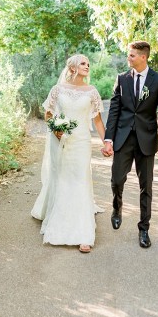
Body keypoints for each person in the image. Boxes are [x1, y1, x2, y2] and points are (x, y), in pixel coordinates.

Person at [31, 54, 106, 253]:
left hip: (81, 142)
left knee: (80, 180)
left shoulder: (92, 92)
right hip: (60, 141)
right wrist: (56, 129)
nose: (87, 66)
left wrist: (107, 142)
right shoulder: (58, 90)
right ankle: (58, 220)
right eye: (83, 63)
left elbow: (97, 120)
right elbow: (48, 113)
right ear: (72, 67)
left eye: (88, 64)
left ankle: (84, 234)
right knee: (62, 179)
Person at [102, 41, 158, 248]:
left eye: (132, 55)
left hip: (147, 140)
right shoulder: (122, 79)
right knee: (116, 179)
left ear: (143, 57)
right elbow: (114, 110)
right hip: (123, 138)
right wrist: (108, 139)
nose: (128, 58)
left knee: (146, 187)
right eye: (128, 55)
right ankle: (117, 207)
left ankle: (144, 229)